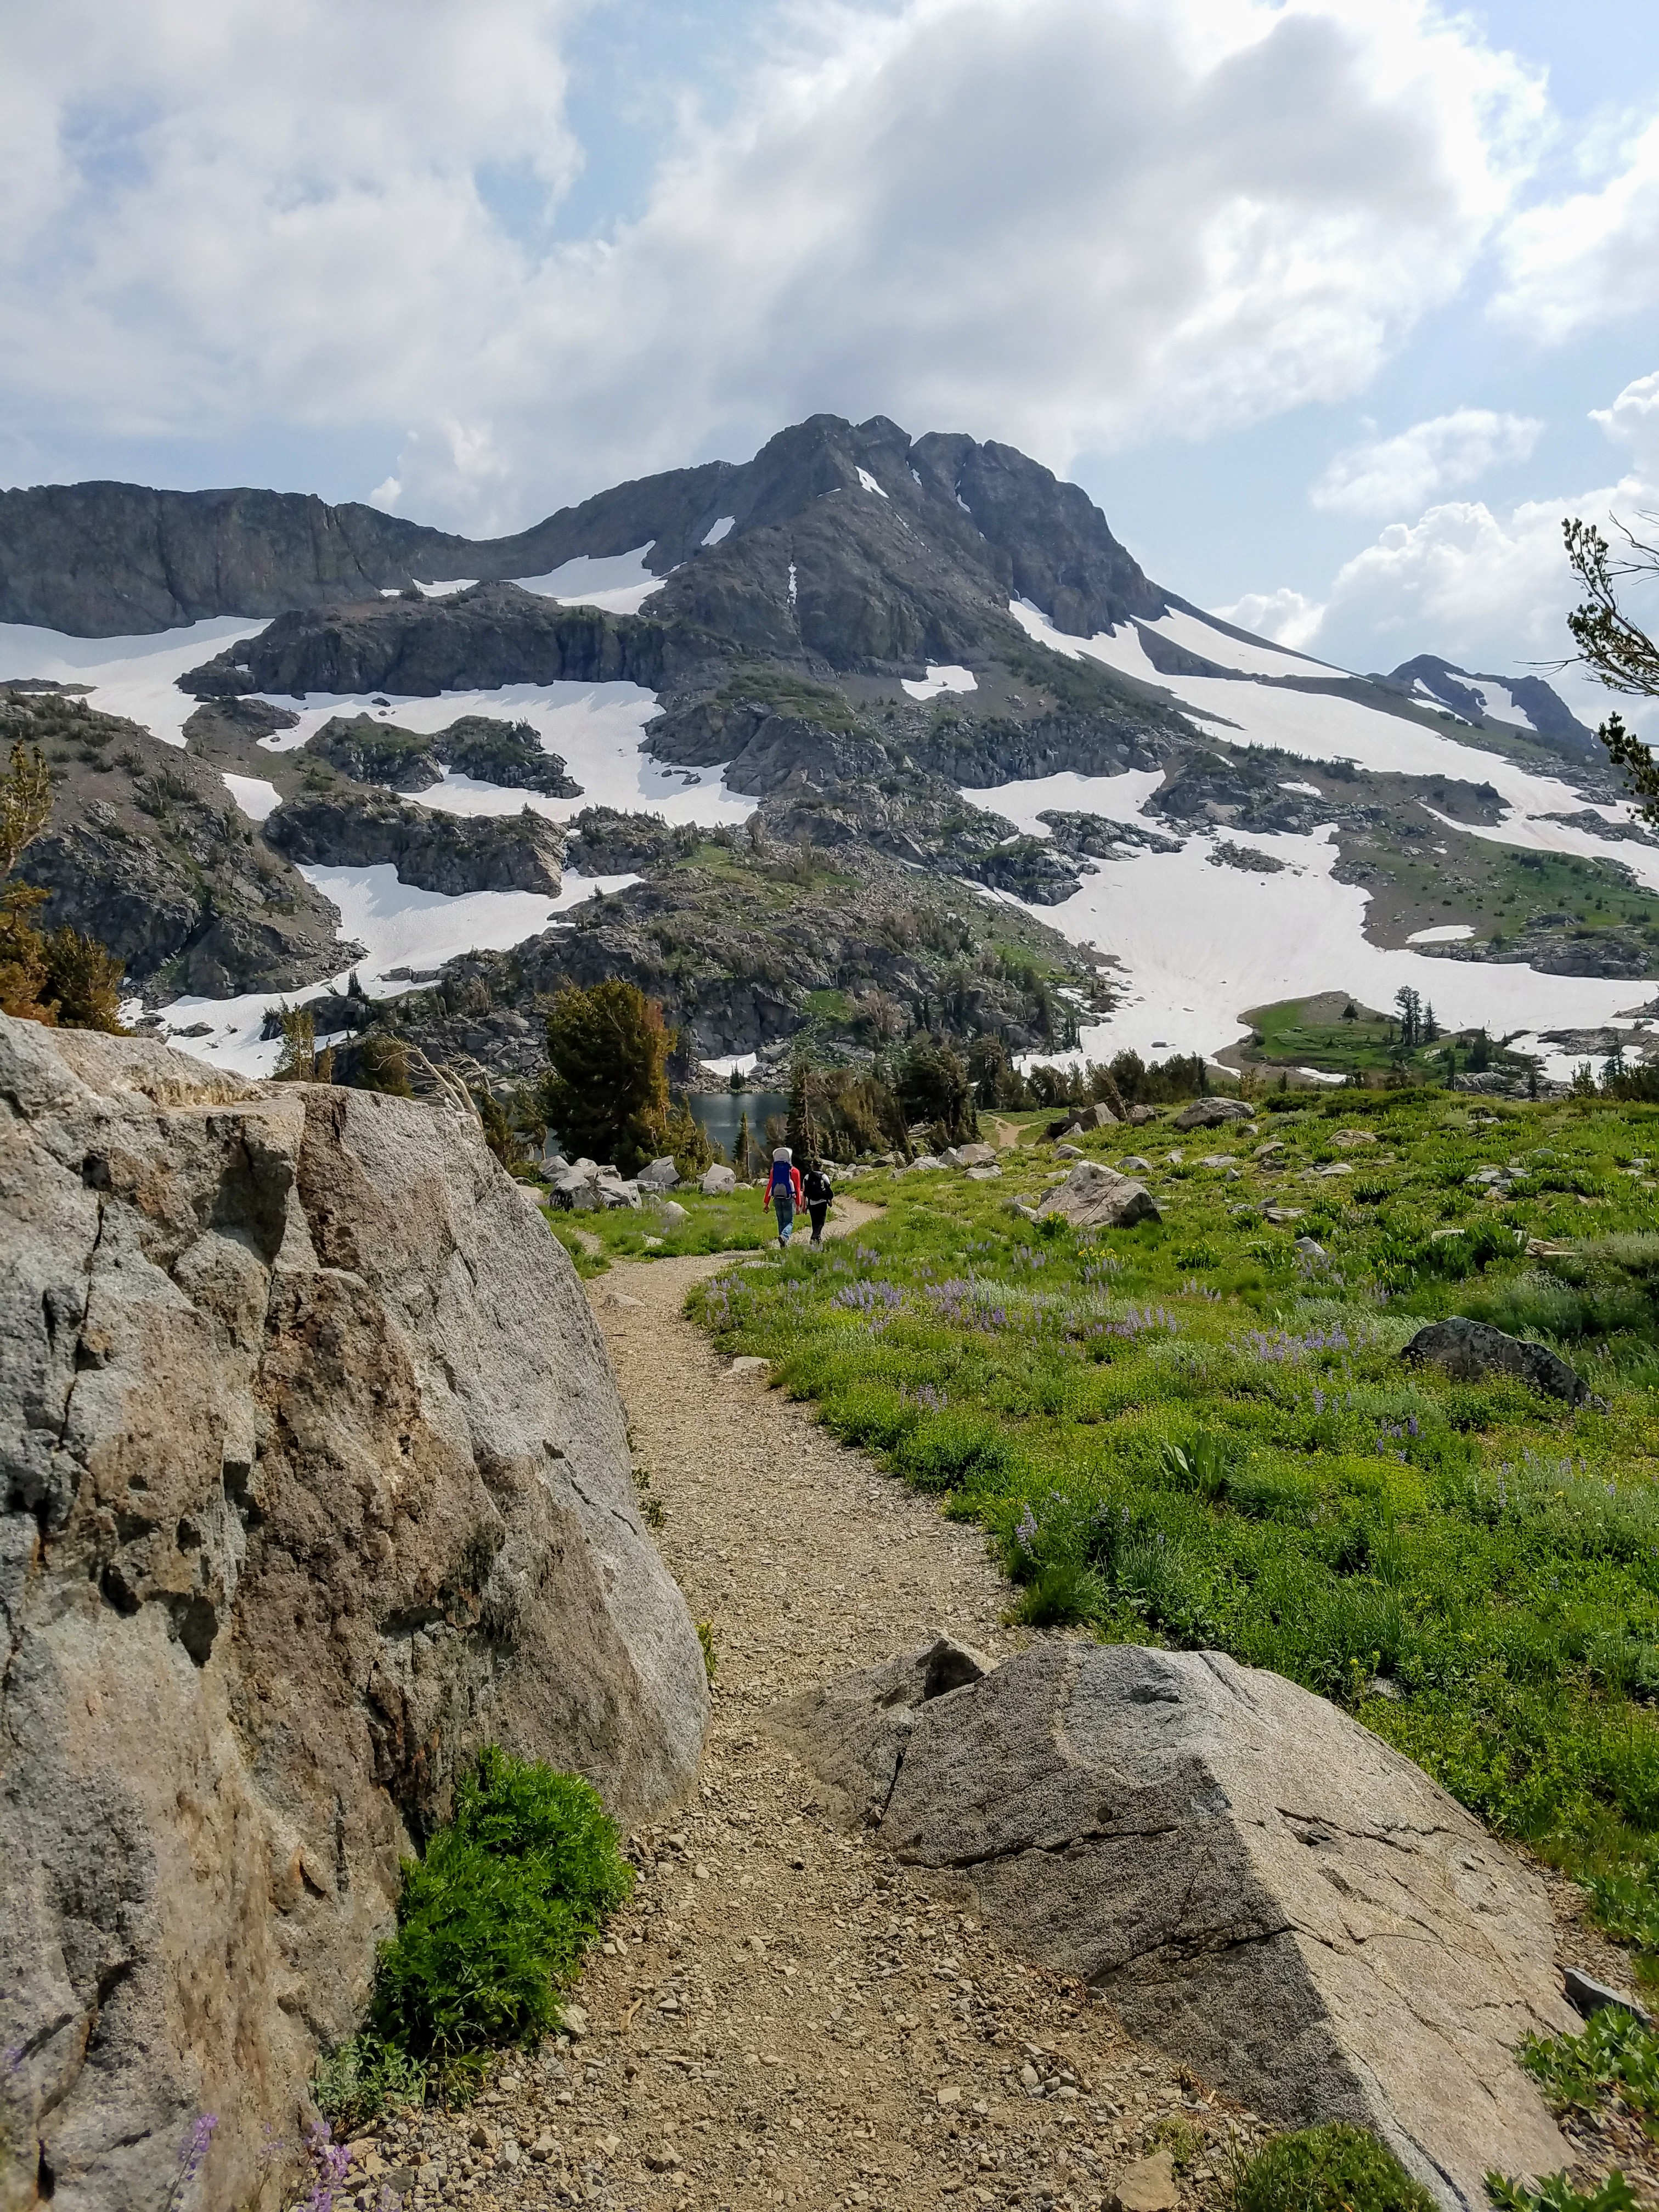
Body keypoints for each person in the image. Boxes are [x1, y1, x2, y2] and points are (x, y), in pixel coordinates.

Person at [763, 1146, 803, 1245]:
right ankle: (784, 1236)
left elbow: (770, 1186)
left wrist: (766, 1203)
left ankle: (783, 1245)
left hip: (776, 1198)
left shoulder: (774, 1171)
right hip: (788, 1199)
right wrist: (798, 1205)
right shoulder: (795, 1172)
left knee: (781, 1222)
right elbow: (797, 1189)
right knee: (789, 1222)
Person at [802, 1158, 834, 1247]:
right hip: (822, 1202)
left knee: (814, 1222)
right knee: (821, 1222)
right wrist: (830, 1201)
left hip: (812, 1203)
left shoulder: (808, 1177)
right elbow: (828, 1190)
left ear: (813, 1166)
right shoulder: (824, 1177)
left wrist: (803, 1206)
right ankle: (815, 1236)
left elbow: (804, 1193)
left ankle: (817, 1239)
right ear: (821, 1166)